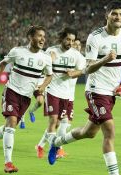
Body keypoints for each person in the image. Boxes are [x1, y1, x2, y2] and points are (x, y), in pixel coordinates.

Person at [48, 1, 121, 175]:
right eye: (114, 14)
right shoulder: (95, 37)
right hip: (96, 90)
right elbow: (87, 68)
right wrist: (104, 60)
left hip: (112, 93)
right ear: (107, 15)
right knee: (109, 130)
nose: (118, 17)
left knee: (88, 132)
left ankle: (56, 143)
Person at [0, 25, 53, 173]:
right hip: (12, 91)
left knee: (10, 127)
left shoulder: (45, 58)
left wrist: (43, 86)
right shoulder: (18, 51)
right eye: (39, 36)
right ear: (30, 37)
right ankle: (8, 163)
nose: (42, 39)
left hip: (26, 98)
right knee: (11, 122)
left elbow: (50, 75)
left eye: (44, 37)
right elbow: (2, 64)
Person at [35, 27, 86, 160]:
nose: (71, 43)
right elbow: (41, 69)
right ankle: (55, 148)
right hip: (52, 91)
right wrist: (49, 62)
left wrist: (74, 73)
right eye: (68, 39)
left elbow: (85, 69)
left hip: (68, 96)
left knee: (61, 124)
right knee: (54, 122)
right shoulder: (51, 51)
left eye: (73, 40)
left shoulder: (77, 56)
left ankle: (41, 145)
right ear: (62, 38)